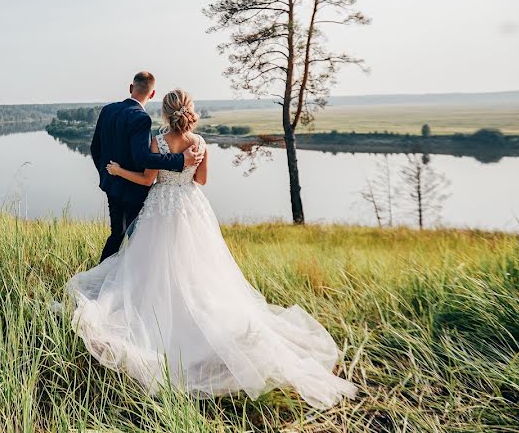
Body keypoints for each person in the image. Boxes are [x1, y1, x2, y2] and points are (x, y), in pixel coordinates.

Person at [66, 88, 357, 409]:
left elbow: (148, 180)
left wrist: (120, 171)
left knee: (151, 268)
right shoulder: (200, 143)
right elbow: (201, 181)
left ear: (164, 113)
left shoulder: (157, 142)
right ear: (189, 111)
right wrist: (187, 169)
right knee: (199, 271)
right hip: (191, 209)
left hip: (160, 209)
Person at [90, 71, 203, 262]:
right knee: (135, 241)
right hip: (134, 190)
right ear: (152, 94)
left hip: (111, 185)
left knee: (116, 234)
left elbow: (95, 148)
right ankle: (122, 280)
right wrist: (181, 160)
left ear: (131, 88)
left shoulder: (107, 110)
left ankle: (103, 277)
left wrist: (107, 175)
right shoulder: (141, 118)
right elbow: (143, 158)